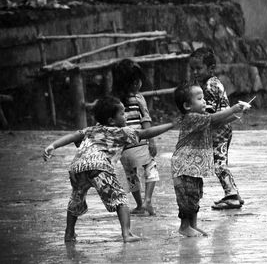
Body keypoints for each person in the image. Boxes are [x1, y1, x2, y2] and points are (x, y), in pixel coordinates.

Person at [43, 96, 175, 243]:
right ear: (112, 120)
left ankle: (69, 233)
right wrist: (171, 124)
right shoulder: (121, 131)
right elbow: (146, 133)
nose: (125, 116)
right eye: (122, 113)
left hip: (77, 168)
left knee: (76, 199)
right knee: (120, 199)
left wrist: (52, 146)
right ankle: (127, 234)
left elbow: (73, 136)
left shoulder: (90, 129)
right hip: (100, 167)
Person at [172, 81, 251, 237]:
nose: (204, 101)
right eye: (200, 99)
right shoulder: (191, 118)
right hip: (184, 167)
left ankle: (193, 225)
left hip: (193, 168)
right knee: (187, 197)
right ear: (187, 106)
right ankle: (184, 226)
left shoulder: (201, 118)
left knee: (195, 195)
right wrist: (233, 108)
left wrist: (237, 114)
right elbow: (215, 119)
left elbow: (217, 122)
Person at [189, 47, 243, 209]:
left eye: (199, 68)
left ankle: (232, 195)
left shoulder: (210, 86)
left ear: (211, 68)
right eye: (193, 69)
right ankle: (232, 193)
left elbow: (209, 113)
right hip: (221, 127)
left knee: (219, 163)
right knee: (219, 161)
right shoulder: (210, 83)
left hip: (219, 128)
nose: (195, 72)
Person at [112, 59, 158, 216]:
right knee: (151, 168)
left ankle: (139, 205)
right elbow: (145, 120)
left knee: (131, 176)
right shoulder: (138, 98)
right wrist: (151, 141)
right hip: (140, 142)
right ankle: (148, 201)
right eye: (138, 80)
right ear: (133, 83)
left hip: (124, 147)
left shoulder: (115, 101)